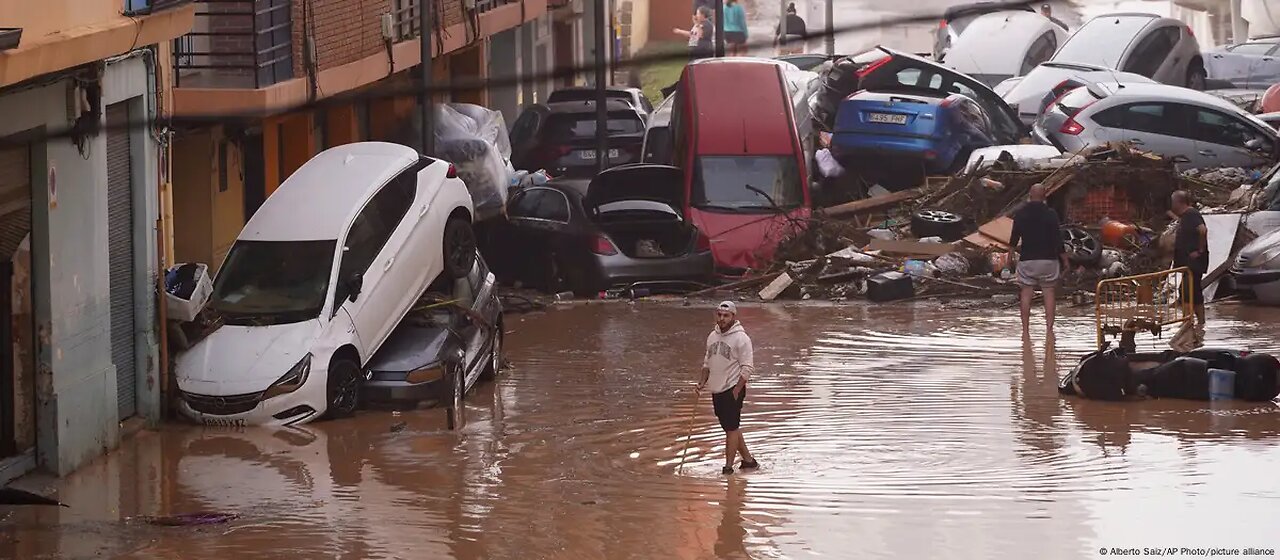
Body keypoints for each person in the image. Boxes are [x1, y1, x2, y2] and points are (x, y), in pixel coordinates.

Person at [696, 301, 758, 475]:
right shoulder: (712, 336)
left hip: (732, 388)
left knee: (730, 429)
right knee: (731, 427)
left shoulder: (741, 338)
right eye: (719, 315)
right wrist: (701, 383)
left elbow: (748, 368)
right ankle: (748, 461)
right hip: (716, 389)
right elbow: (706, 363)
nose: (722, 319)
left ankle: (728, 468)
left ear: (733, 317)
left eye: (726, 315)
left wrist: (737, 390)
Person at [1009, 183, 1069, 340]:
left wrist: (1010, 256)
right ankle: (1049, 330)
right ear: (1044, 196)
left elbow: (1014, 237)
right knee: (1048, 293)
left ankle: (1025, 331)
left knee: (1026, 293)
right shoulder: (1051, 214)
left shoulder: (1021, 213)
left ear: (1029, 194)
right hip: (1048, 260)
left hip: (1027, 260)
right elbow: (1057, 239)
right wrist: (1065, 260)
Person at [1171, 190, 1209, 326]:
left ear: (1178, 202)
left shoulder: (1191, 214)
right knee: (1193, 292)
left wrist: (1199, 250)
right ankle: (1200, 323)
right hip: (1189, 263)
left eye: (1172, 202)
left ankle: (1187, 322)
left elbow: (1203, 230)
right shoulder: (1185, 216)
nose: (1171, 205)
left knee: (1187, 292)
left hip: (1194, 263)